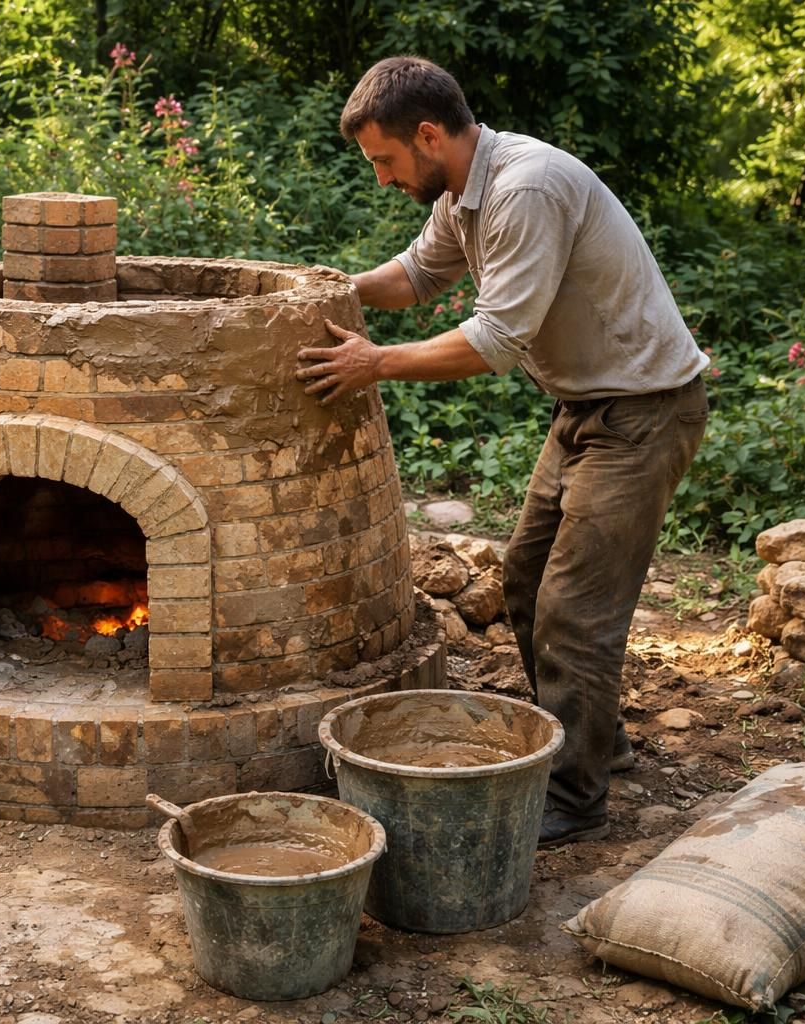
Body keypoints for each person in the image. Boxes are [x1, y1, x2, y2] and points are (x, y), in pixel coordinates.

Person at [298, 56, 708, 846]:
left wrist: (372, 362)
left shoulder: (526, 187)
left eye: (385, 160)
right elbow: (417, 275)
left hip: (643, 414)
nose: (381, 179)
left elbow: (496, 341)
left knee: (573, 613)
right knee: (524, 576)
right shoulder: (464, 192)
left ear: (428, 134)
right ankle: (599, 742)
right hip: (589, 408)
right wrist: (323, 289)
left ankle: (575, 798)